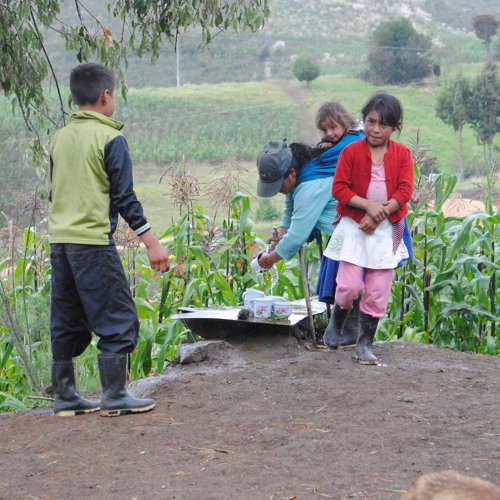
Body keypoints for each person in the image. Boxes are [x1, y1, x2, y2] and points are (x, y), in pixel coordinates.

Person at [49, 62, 170, 417]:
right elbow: (123, 197)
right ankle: (114, 395)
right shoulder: (110, 138)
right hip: (91, 243)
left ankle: (65, 397)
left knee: (66, 317)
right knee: (118, 316)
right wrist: (151, 242)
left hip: (60, 242)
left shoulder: (59, 138)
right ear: (106, 96)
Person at [255, 101, 365, 347]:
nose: (279, 191)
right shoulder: (303, 174)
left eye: (278, 185)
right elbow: (289, 214)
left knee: (350, 285)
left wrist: (268, 260)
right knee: (342, 284)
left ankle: (351, 336)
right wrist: (272, 246)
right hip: (344, 234)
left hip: (357, 233)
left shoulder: (308, 186)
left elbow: (296, 236)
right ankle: (345, 334)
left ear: (291, 174)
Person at [324, 91, 414, 365]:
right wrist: (366, 207)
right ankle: (337, 321)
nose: (376, 129)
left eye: (383, 124)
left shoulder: (402, 154)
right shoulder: (351, 152)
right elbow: (339, 188)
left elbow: (404, 190)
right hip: (354, 225)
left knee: (377, 291)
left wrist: (379, 213)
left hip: (385, 229)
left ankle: (365, 344)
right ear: (364, 121)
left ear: (395, 127)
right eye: (371, 121)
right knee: (349, 285)